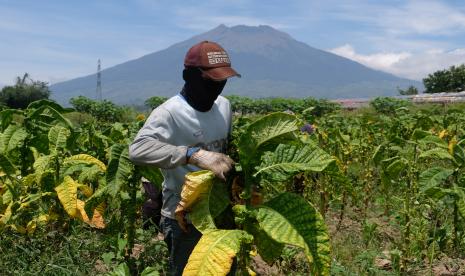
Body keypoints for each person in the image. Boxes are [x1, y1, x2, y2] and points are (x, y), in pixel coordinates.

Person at [128, 40, 240, 275]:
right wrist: (193, 155)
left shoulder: (224, 106)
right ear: (188, 75)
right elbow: (138, 149)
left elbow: (228, 150)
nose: (217, 89)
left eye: (223, 81)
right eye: (210, 81)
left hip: (221, 212)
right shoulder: (169, 113)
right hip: (184, 217)